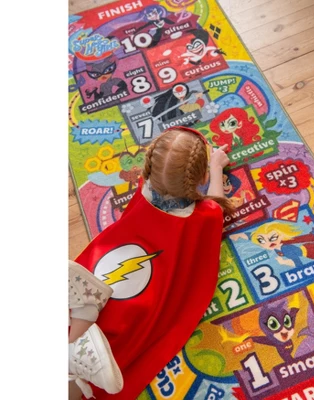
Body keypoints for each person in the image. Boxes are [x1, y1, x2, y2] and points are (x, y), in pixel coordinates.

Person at [69, 126, 235, 399]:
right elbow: (217, 204)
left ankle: (74, 350)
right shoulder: (205, 215)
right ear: (202, 177)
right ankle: (76, 365)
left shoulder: (143, 189)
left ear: (148, 170)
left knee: (95, 307)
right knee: (121, 335)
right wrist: (217, 166)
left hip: (114, 269)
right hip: (145, 282)